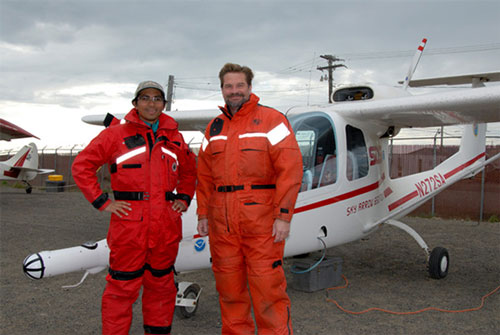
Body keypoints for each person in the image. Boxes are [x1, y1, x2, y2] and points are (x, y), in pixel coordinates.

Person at [72, 81, 196, 335]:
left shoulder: (175, 137)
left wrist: (183, 197)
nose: (152, 103)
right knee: (121, 291)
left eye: (157, 99)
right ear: (135, 103)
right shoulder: (115, 135)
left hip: (165, 227)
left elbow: (190, 170)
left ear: (164, 104)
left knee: (161, 288)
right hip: (129, 229)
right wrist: (103, 202)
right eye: (145, 98)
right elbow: (82, 166)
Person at [196, 63, 303, 334]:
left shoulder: (272, 120)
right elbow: (205, 177)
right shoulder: (214, 128)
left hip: (262, 226)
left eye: (239, 85)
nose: (234, 91)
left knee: (268, 294)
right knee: (230, 294)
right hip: (223, 228)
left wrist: (283, 216)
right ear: (222, 90)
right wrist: (203, 214)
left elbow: (290, 171)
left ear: (250, 88)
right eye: (228, 86)